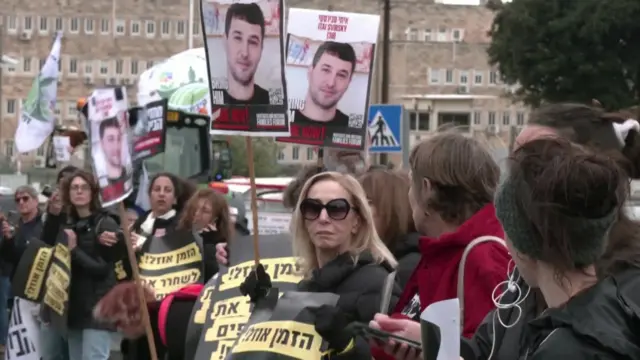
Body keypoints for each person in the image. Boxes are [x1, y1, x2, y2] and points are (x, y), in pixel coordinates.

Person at [373, 103, 640, 360]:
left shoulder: (622, 291)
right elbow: (486, 349)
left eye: (535, 158)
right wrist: (437, 346)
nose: (520, 170)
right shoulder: (523, 281)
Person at [370, 132, 510, 360]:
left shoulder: (484, 256)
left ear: (426, 188)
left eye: (410, 183)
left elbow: (488, 352)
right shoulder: (440, 251)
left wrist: (430, 343)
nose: (408, 195)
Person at [240, 171, 401, 359]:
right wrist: (265, 305)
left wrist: (346, 343)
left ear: (357, 222)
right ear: (304, 220)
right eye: (312, 208)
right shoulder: (307, 282)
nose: (323, 218)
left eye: (337, 209)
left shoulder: (377, 283)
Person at [58, 170, 121, 360]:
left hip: (98, 309)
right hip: (74, 308)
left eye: (84, 188)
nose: (79, 191)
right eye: (74, 188)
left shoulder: (106, 222)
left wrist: (74, 250)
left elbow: (103, 269)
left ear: (93, 193)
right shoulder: (69, 223)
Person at [358, 169, 419, 288]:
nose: (357, 211)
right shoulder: (375, 258)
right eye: (356, 203)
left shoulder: (407, 269)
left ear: (394, 209)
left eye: (368, 202)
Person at [0, 186, 42, 355]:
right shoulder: (15, 224)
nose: (21, 203)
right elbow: (11, 255)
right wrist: (8, 240)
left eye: (25, 198)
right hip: (20, 286)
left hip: (41, 289)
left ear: (36, 200)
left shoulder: (44, 223)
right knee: (23, 341)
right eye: (18, 200)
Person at [292, 41, 356, 126]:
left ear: (349, 82)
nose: (331, 83)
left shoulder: (356, 130)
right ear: (310, 72)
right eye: (326, 70)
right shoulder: (282, 120)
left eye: (341, 75)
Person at [176, 188, 232, 280]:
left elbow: (213, 276)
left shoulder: (223, 246)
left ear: (216, 218)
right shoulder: (179, 234)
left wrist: (209, 245)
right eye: (195, 208)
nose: (197, 214)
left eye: (205, 211)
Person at [222, 2, 270, 104]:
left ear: (262, 48)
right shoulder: (208, 101)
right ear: (225, 41)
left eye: (253, 42)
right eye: (238, 38)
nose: (245, 53)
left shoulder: (273, 104)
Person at [98, 117, 128, 185]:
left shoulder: (132, 175)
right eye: (111, 139)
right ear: (102, 144)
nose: (116, 146)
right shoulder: (98, 182)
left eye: (119, 139)